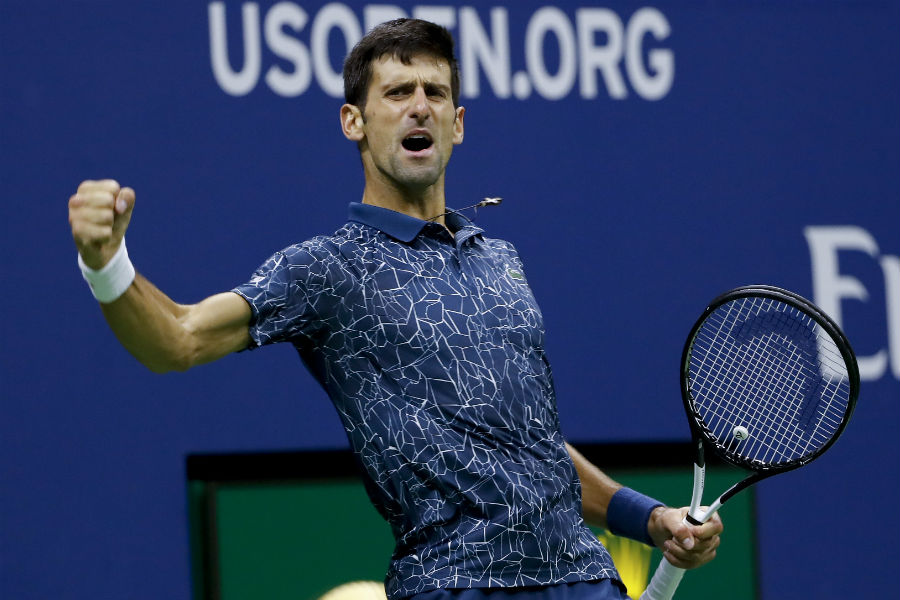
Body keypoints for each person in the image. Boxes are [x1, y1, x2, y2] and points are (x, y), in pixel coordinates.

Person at [68, 18, 722, 600]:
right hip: (453, 584)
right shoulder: (325, 270)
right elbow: (175, 340)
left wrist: (648, 518)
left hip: (586, 579)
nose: (420, 109)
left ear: (458, 124)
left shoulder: (500, 260)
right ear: (354, 120)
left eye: (435, 94)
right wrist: (105, 263)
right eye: (397, 93)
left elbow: (532, 451)